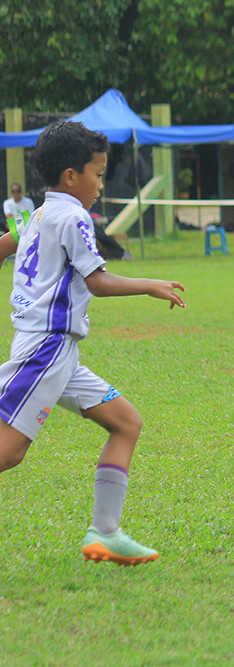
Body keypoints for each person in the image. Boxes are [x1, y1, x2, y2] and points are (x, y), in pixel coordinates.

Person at [0, 121, 186, 566]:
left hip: (58, 353)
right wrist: (149, 284)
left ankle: (105, 532)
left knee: (125, 422)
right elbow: (97, 282)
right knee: (8, 452)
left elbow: (6, 245)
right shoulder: (73, 216)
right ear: (71, 176)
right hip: (45, 350)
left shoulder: (41, 213)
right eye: (98, 174)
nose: (101, 185)